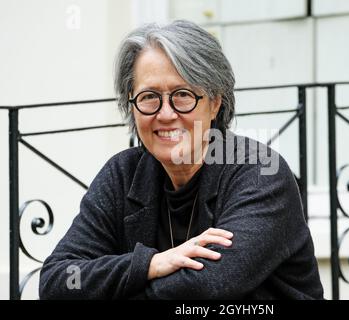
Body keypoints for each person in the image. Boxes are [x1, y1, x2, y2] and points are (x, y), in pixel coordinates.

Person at [39, 20, 323, 300]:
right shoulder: (122, 174)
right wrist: (151, 264)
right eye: (149, 97)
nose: (165, 114)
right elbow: (58, 282)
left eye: (183, 95)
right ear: (131, 104)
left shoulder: (260, 173)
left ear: (215, 102)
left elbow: (208, 287)